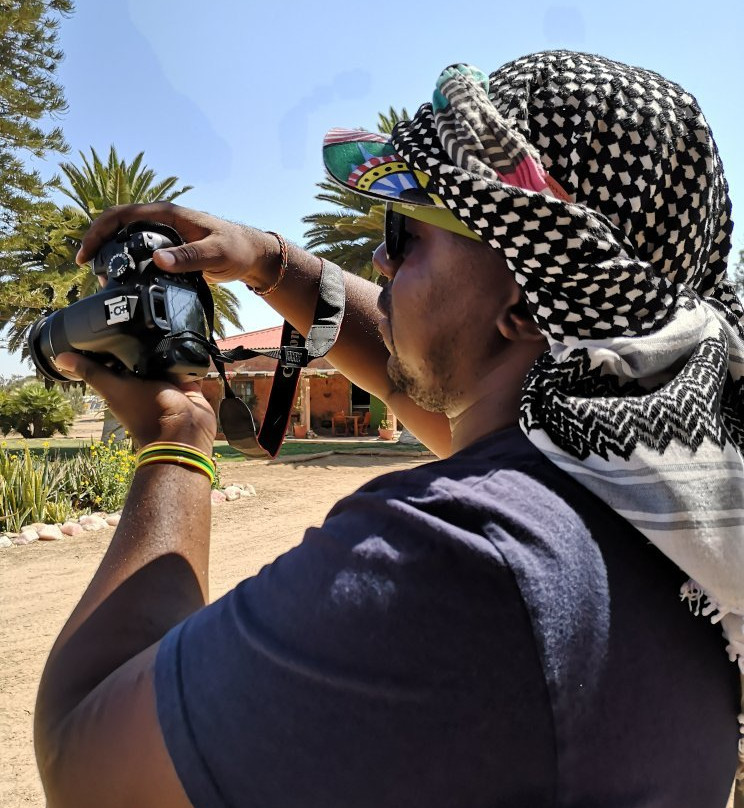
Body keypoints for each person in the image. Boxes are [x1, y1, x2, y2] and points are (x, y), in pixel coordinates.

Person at [34, 51, 744, 808]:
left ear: (533, 302)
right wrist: (274, 264)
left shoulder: (464, 557)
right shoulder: (657, 481)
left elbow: (87, 763)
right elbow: (453, 408)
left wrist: (175, 440)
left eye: (406, 232)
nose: (379, 254)